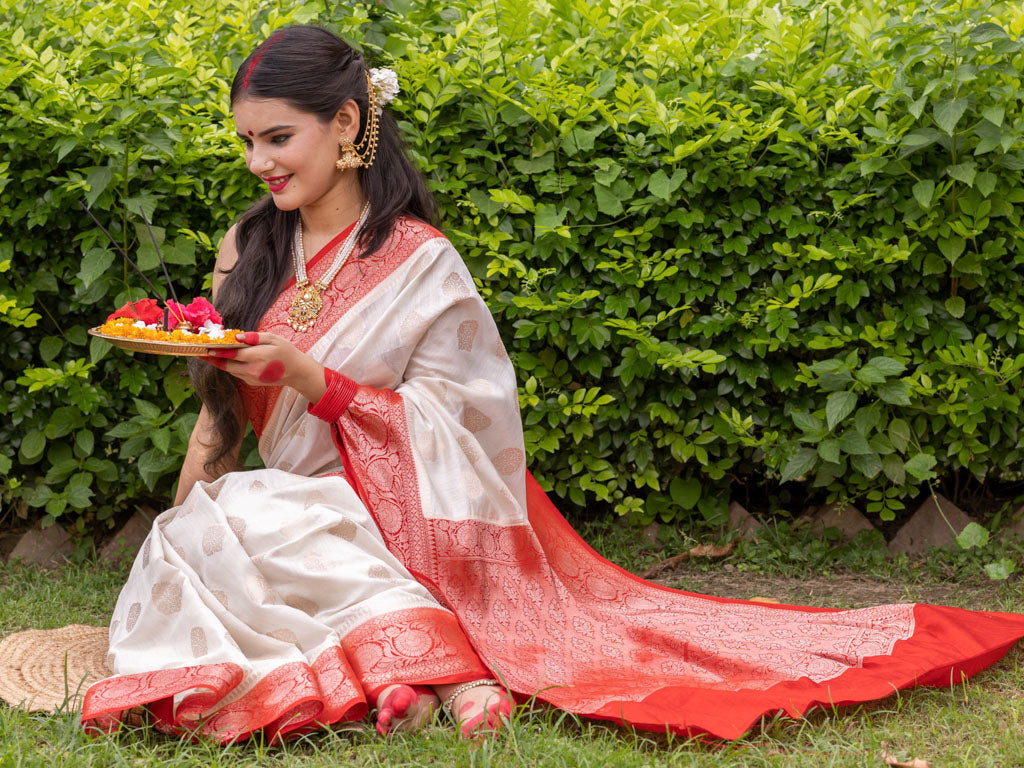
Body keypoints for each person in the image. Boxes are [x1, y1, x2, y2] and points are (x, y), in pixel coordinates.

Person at [82, 25, 1024, 745]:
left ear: (347, 124)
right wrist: (167, 540)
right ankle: (434, 680)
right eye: (246, 143)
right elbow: (217, 432)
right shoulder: (246, 249)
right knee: (213, 525)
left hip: (388, 520)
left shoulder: (422, 263)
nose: (259, 165)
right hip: (271, 507)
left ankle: (418, 671)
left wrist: (319, 381)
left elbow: (470, 432)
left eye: (278, 138)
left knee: (262, 524)